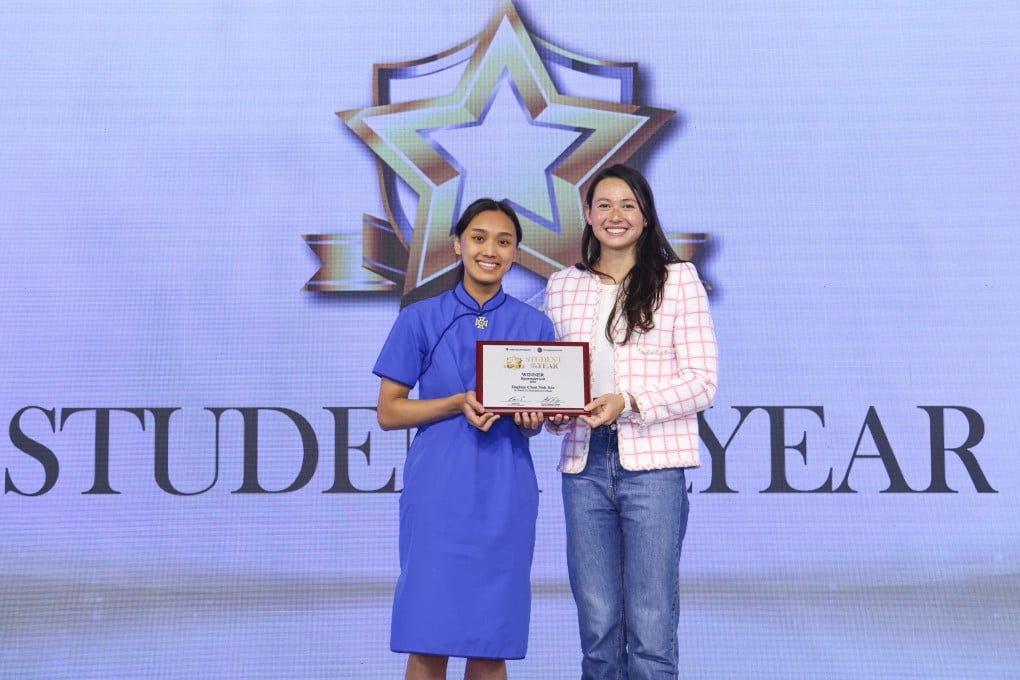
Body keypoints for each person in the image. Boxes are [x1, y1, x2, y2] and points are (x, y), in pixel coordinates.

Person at [544, 164, 718, 679]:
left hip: (655, 467)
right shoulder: (561, 286)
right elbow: (550, 375)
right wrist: (553, 410)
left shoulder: (679, 279)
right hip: (583, 464)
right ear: (587, 215)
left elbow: (702, 381)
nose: (615, 215)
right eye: (603, 205)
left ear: (646, 217)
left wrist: (629, 400)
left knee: (650, 629)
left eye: (627, 205)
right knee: (597, 627)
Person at [373, 198, 555, 680]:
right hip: (438, 493)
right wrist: (455, 403)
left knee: (489, 643)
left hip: (504, 492)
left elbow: (538, 416)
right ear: (457, 245)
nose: (489, 250)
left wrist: (532, 419)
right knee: (428, 642)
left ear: (516, 252)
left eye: (503, 240)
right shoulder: (419, 317)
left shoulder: (536, 325)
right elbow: (389, 411)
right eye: (478, 238)